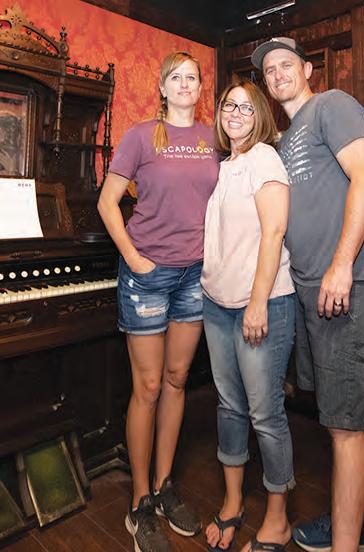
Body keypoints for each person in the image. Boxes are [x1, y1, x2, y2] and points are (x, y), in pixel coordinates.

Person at [251, 37, 364, 552]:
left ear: (308, 69)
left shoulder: (332, 104)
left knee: (345, 426)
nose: (278, 74)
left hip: (342, 286)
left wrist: (341, 265)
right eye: (269, 70)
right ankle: (349, 522)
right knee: (333, 418)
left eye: (286, 64)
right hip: (309, 291)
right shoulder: (286, 139)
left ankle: (347, 544)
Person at [97, 52, 219, 552]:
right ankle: (139, 501)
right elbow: (107, 202)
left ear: (200, 88)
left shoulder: (214, 138)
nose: (185, 84)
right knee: (147, 386)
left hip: (195, 276)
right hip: (147, 276)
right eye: (176, 77)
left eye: (193, 77)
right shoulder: (141, 135)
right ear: (163, 88)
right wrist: (134, 258)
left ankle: (165, 485)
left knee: (177, 380)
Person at [201, 78, 296, 552]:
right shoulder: (225, 166)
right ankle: (233, 501)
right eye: (227, 105)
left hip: (262, 304)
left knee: (265, 414)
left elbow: (274, 231)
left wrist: (258, 302)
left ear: (259, 114)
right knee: (229, 406)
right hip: (216, 304)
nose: (234, 113)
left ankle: (278, 519)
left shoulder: (264, 158)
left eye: (244, 106)